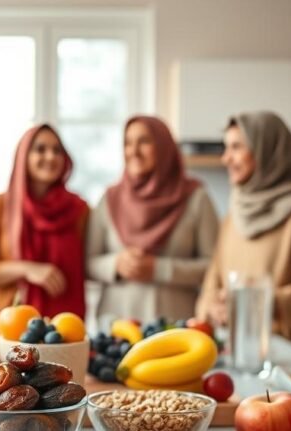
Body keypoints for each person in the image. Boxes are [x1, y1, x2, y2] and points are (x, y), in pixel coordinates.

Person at [195, 111, 291, 360]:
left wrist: (263, 304)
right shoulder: (234, 216)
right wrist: (213, 308)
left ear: (268, 151)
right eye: (226, 148)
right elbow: (212, 284)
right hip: (240, 358)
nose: (225, 158)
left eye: (236, 147)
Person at [86, 115, 218, 324]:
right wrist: (116, 264)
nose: (133, 151)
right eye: (127, 143)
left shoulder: (196, 198)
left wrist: (160, 269)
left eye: (144, 142)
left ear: (164, 146)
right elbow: (87, 263)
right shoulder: (109, 199)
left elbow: (214, 268)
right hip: (114, 330)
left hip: (175, 328)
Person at [0, 124, 89, 327]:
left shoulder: (80, 211)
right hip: (7, 331)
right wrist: (26, 269)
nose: (50, 156)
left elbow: (89, 264)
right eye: (40, 149)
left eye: (57, 150)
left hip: (63, 332)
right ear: (23, 156)